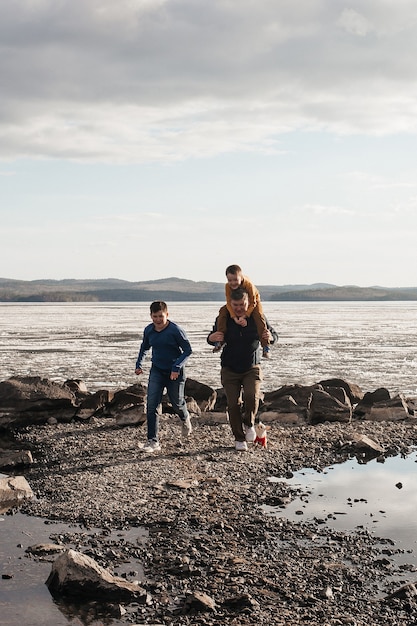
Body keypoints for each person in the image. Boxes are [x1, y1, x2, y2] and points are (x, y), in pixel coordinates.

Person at [207, 287, 275, 451]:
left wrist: (270, 338)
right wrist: (211, 338)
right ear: (230, 304)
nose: (238, 308)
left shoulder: (257, 317)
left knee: (252, 397)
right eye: (235, 305)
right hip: (230, 368)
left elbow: (273, 334)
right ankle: (239, 438)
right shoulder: (224, 318)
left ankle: (249, 423)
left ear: (248, 302)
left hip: (252, 367)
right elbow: (212, 336)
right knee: (233, 404)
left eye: (242, 304)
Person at [135, 301, 192, 452]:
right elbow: (144, 347)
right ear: (151, 316)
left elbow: (187, 350)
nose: (158, 320)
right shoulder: (149, 330)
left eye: (161, 316)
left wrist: (176, 367)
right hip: (157, 370)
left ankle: (185, 417)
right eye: (155, 316)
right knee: (152, 404)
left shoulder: (175, 330)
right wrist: (139, 364)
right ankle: (153, 441)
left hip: (175, 372)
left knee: (177, 402)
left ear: (167, 315)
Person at [213, 264, 271, 358]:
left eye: (235, 280)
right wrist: (234, 318)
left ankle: (265, 346)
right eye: (230, 280)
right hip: (236, 302)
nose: (233, 283)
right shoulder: (228, 286)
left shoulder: (248, 285)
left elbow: (253, 302)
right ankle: (219, 341)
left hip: (253, 302)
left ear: (241, 277)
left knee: (259, 316)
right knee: (222, 312)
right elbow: (228, 302)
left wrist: (245, 316)